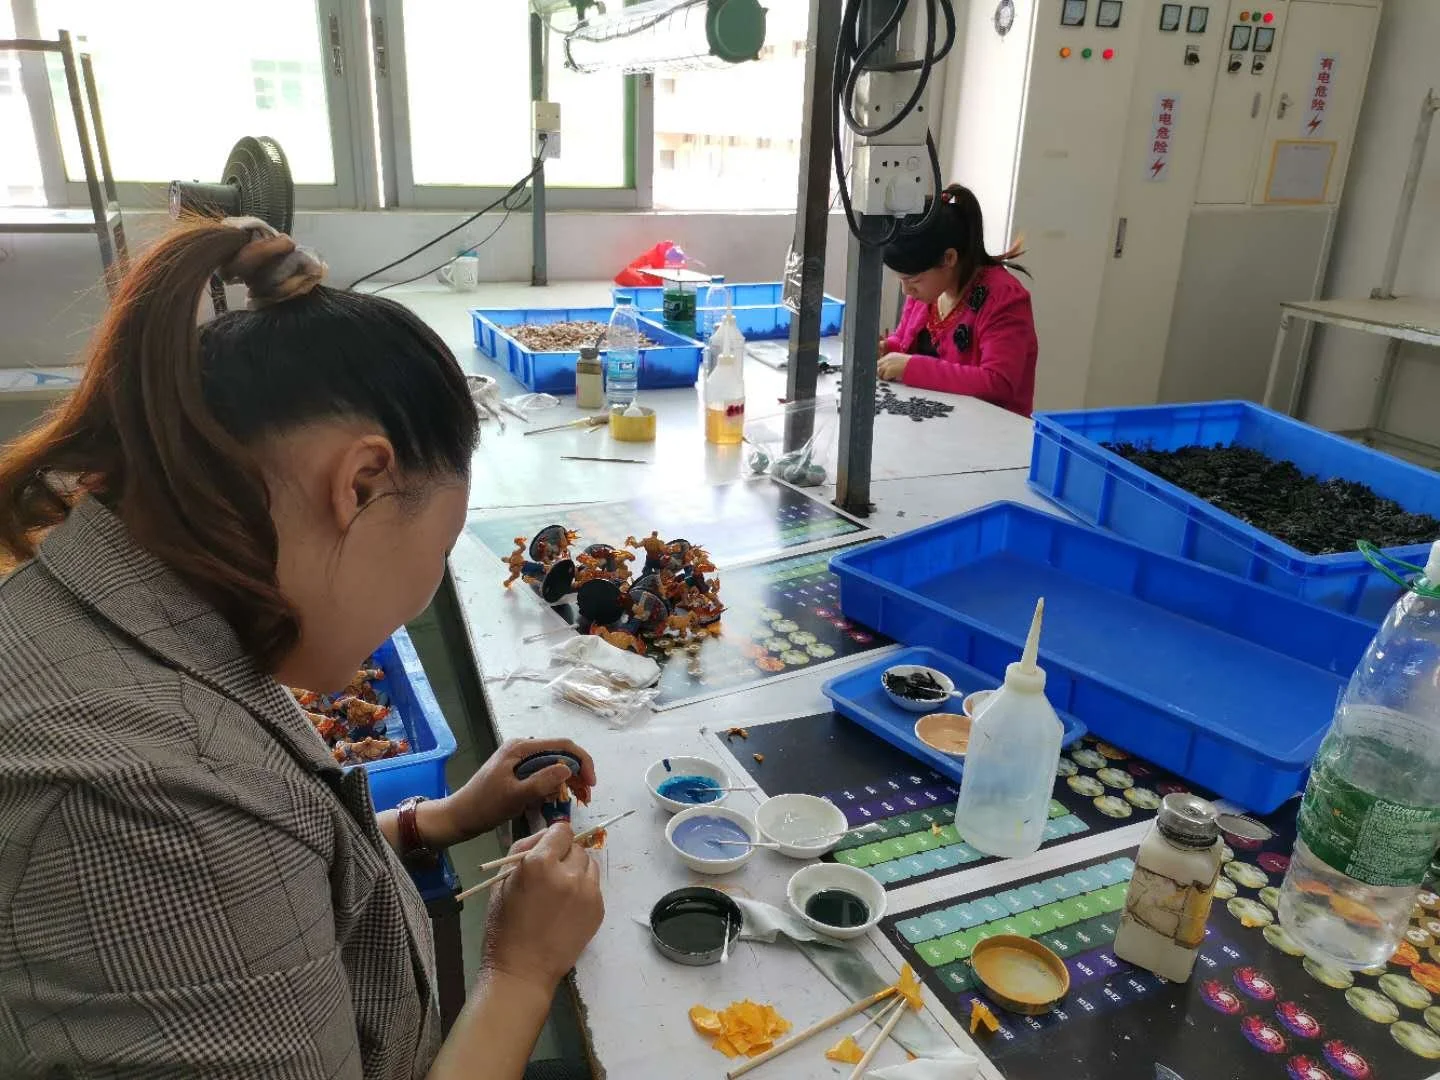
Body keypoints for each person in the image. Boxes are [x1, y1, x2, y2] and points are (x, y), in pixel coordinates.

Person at [0, 217, 604, 1079]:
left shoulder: (140, 612)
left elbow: (270, 892)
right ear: (358, 486)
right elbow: (227, 853)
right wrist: (521, 971)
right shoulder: (147, 805)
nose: (423, 592)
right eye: (437, 553)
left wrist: (432, 822)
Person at [877, 183, 1038, 416]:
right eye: (900, 280)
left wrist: (911, 367)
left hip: (989, 430)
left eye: (913, 280)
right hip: (936, 422)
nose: (906, 291)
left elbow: (998, 383)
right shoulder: (928, 290)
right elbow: (904, 341)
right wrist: (886, 351)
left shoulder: (1004, 299)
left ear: (949, 258)